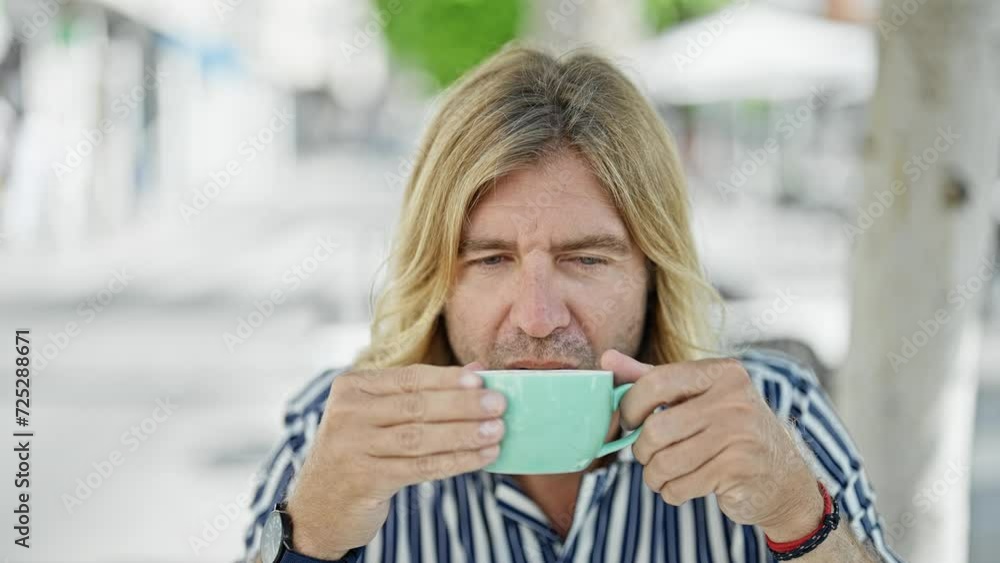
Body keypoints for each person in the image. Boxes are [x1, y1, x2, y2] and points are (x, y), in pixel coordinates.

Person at [243, 46, 901, 562]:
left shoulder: (777, 413)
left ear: (654, 271)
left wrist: (799, 518)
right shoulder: (332, 436)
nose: (537, 316)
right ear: (437, 280)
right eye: (491, 259)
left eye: (586, 259)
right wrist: (310, 540)